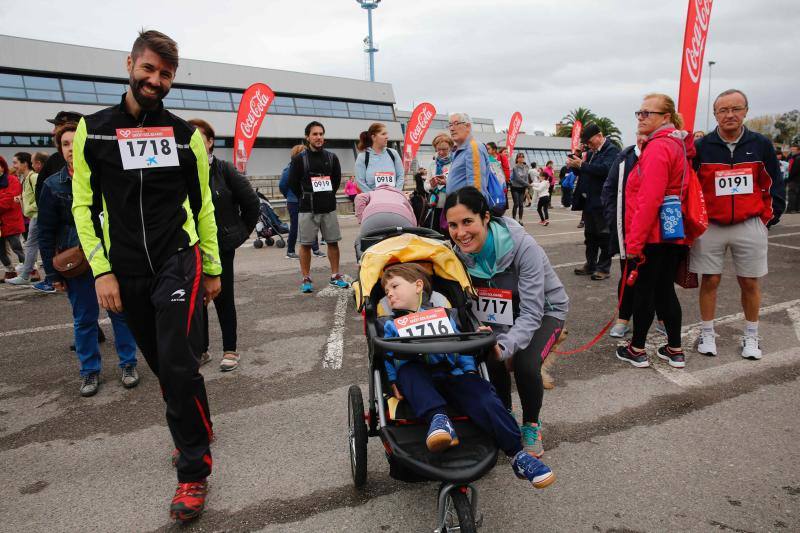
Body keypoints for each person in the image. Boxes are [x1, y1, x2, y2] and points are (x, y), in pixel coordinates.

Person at [71, 30, 221, 521]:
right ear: (130, 65)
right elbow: (83, 207)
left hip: (178, 260)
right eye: (149, 69)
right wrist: (102, 271)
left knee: (178, 365)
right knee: (163, 366)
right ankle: (196, 424)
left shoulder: (184, 135)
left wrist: (212, 267)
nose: (155, 80)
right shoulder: (93, 130)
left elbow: (203, 206)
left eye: (166, 74)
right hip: (125, 271)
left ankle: (193, 471)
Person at [380, 263, 555, 489]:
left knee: (483, 394)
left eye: (395, 286)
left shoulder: (444, 315)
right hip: (418, 377)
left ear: (418, 286)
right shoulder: (390, 325)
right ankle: (439, 419)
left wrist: (470, 370)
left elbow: (461, 346)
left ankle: (517, 454)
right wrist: (392, 380)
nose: (389, 294)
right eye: (386, 291)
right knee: (408, 371)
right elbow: (387, 357)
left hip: (451, 372)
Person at [445, 187, 569, 459]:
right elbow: (467, 307)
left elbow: (532, 312)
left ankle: (531, 426)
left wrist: (504, 345)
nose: (461, 233)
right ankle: (504, 414)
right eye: (453, 225)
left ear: (485, 217)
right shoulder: (455, 255)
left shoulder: (524, 247)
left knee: (525, 363)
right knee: (488, 354)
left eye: (467, 222)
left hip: (544, 311)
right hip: (500, 317)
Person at [38, 122, 140, 395]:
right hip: (76, 264)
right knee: (84, 319)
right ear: (59, 149)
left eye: (76, 142)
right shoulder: (52, 184)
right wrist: (52, 274)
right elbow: (45, 233)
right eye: (65, 144)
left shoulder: (106, 177)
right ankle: (89, 372)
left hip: (111, 259)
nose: (71, 148)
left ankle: (129, 364)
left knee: (120, 313)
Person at [691, 89, 785, 360]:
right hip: (711, 226)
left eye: (736, 109)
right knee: (710, 280)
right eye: (723, 110)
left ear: (746, 111)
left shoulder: (761, 144)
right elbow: (692, 186)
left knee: (750, 282)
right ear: (715, 114)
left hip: (750, 223)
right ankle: (707, 333)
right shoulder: (702, 147)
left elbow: (773, 182)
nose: (730, 114)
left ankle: (752, 335)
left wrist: (768, 218)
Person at [614, 94, 692, 369]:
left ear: (665, 117)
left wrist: (634, 243)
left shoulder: (658, 147)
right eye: (640, 112)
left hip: (653, 234)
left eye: (648, 113)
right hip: (672, 230)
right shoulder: (676, 144)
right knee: (664, 291)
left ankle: (637, 349)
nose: (641, 117)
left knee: (645, 292)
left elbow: (648, 199)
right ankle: (675, 349)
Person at [188, 119, 259, 372]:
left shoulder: (224, 169)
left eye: (199, 138)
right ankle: (201, 348)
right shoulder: (182, 171)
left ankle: (230, 349)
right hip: (190, 247)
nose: (194, 143)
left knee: (222, 297)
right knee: (197, 300)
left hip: (221, 246)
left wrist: (239, 234)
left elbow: (252, 204)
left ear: (210, 142)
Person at [602, 134, 668, 340]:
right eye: (641, 130)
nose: (644, 137)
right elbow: (609, 189)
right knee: (628, 275)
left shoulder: (664, 152)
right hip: (628, 230)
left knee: (660, 277)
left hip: (658, 229)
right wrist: (614, 218)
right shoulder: (624, 157)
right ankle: (623, 319)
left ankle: (663, 318)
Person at [288, 120, 351, 293]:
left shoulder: (332, 158)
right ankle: (306, 278)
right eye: (315, 134)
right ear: (307, 137)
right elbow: (292, 183)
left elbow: (336, 181)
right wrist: (305, 197)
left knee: (333, 242)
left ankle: (335, 276)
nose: (318, 137)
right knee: (306, 245)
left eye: (321, 134)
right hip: (307, 209)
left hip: (328, 207)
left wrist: (326, 196)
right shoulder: (299, 159)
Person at [567, 123, 620, 281]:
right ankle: (590, 264)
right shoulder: (591, 153)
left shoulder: (612, 150)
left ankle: (603, 268)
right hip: (589, 201)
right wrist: (576, 161)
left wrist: (582, 164)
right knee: (590, 236)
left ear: (599, 136)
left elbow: (605, 170)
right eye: (587, 143)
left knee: (604, 236)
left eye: (590, 142)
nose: (589, 145)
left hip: (603, 201)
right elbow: (583, 171)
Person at [279, 145, 324, 260]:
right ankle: (290, 251)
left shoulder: (308, 167)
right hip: (294, 202)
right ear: (297, 155)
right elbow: (282, 185)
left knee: (312, 224)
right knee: (295, 226)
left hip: (307, 200)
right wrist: (290, 196)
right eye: (304, 152)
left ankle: (315, 250)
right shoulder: (289, 168)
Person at [7, 152, 42, 285]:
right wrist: (21, 199)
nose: (14, 166)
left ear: (25, 163)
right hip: (34, 216)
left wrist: (31, 207)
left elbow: (42, 197)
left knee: (31, 245)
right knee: (34, 245)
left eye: (16, 162)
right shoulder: (26, 179)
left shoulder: (33, 177)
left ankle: (25, 274)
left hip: (37, 216)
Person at [354, 185, 417, 258]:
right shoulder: (401, 195)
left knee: (367, 250)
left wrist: (361, 219)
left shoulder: (372, 193)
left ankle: (367, 262)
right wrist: (413, 230)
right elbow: (411, 213)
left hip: (372, 218)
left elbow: (359, 197)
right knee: (408, 250)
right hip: (400, 218)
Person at [36, 111, 83, 206]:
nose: (53, 131)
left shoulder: (97, 163)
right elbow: (40, 194)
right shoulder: (53, 160)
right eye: (65, 144)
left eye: (58, 126)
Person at [446, 113, 492, 196]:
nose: (451, 129)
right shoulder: (460, 149)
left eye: (456, 123)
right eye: (450, 125)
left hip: (467, 203)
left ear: (468, 126)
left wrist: (473, 204)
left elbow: (476, 187)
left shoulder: (473, 147)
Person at [354, 123, 404, 192]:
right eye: (383, 134)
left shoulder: (393, 153)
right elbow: (360, 182)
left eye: (386, 134)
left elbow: (401, 176)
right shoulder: (362, 157)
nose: (387, 137)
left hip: (393, 197)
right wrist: (374, 196)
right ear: (373, 137)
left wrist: (396, 193)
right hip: (372, 198)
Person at [0, 156, 25, 279]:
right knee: (1, 251)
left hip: (11, 221)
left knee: (17, 247)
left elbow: (9, 200)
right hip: (1, 223)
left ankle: (31, 269)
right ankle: (10, 271)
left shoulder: (12, 180)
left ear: (2, 167)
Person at [424, 134, 454, 234]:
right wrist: (431, 185)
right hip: (435, 205)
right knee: (436, 232)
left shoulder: (455, 163)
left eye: (444, 149)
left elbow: (461, 185)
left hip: (452, 204)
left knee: (451, 232)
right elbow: (426, 186)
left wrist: (447, 183)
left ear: (450, 147)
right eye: (438, 149)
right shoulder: (432, 164)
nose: (441, 152)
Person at [509, 153, 530, 223]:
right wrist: (527, 184)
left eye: (522, 157)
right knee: (516, 204)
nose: (521, 158)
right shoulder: (515, 167)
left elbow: (526, 177)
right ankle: (514, 219)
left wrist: (526, 187)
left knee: (521, 204)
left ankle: (520, 220)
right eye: (519, 157)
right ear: (517, 159)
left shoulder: (526, 167)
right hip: (515, 187)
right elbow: (517, 178)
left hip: (522, 188)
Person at [786, 140, 800, 213]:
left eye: (794, 149)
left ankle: (791, 209)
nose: (792, 151)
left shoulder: (797, 158)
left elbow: (794, 170)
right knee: (797, 194)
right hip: (796, 179)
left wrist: (789, 178)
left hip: (794, 179)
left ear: (798, 150)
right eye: (791, 149)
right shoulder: (793, 157)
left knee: (792, 193)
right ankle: (797, 208)